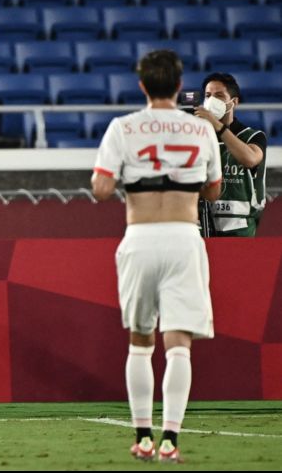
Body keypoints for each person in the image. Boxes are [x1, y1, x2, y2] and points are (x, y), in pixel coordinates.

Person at [91, 50, 222, 463]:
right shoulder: (201, 131)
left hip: (141, 238)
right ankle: (171, 440)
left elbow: (101, 189)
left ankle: (143, 436)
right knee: (179, 343)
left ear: (142, 85)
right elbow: (214, 191)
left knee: (140, 341)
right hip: (184, 237)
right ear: (180, 86)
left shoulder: (123, 127)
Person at [194, 72, 267, 237]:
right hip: (203, 224)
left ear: (233, 102)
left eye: (219, 96)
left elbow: (250, 159)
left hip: (240, 227)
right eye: (207, 96)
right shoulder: (199, 136)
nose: (212, 100)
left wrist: (218, 126)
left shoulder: (253, 136)